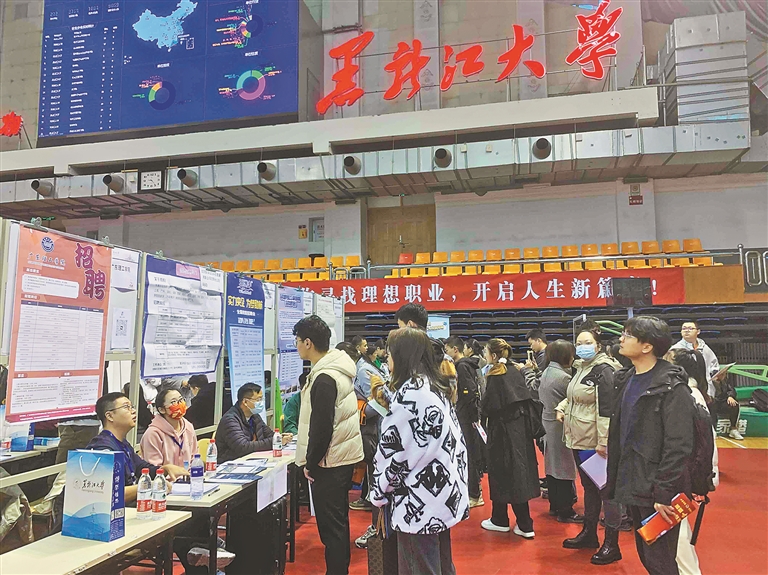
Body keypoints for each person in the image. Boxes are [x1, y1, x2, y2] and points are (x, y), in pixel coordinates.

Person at [371, 327, 469, 575]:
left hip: (418, 501)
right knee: (440, 564)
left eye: (390, 354)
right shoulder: (433, 386)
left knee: (419, 567)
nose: (387, 359)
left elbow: (395, 455)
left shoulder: (410, 397)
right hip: (442, 495)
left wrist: (378, 491)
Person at [608, 316, 696, 575]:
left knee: (661, 561)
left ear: (647, 346)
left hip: (658, 488)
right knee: (648, 556)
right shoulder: (627, 379)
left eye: (628, 335)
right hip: (634, 481)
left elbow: (679, 444)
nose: (621, 339)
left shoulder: (672, 386)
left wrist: (664, 492)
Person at [294, 315, 364, 575]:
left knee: (331, 528)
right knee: (338, 524)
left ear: (308, 343)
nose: (297, 345)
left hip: (329, 462)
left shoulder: (324, 378)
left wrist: (311, 463)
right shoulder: (337, 369)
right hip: (340, 458)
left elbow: (321, 428)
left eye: (298, 340)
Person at [555, 326, 623, 565]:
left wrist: (603, 442)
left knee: (606, 492)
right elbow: (575, 397)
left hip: (595, 442)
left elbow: (606, 409)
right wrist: (562, 407)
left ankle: (612, 543)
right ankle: (589, 533)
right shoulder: (581, 368)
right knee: (589, 488)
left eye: (587, 342)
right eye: (579, 343)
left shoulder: (604, 370)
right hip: (578, 438)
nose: (582, 346)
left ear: (598, 345)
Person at [666, 347, 720, 575]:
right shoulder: (690, 393)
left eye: (667, 360)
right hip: (685, 473)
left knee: (676, 533)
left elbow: (702, 445)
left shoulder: (689, 396)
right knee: (676, 531)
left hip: (683, 474)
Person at [480, 338, 540, 539]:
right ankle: (506, 519)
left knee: (505, 474)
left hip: (501, 432)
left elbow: (488, 406)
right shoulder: (515, 371)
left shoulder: (495, 375)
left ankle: (518, 522)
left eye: (486, 352)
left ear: (493, 355)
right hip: (520, 431)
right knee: (517, 472)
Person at [86, 393, 188, 501]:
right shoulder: (103, 449)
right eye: (126, 407)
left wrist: (165, 469)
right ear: (110, 416)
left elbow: (142, 468)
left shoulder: (122, 443)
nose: (133, 411)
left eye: (132, 407)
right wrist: (147, 486)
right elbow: (108, 494)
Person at [538, 339, 582, 523]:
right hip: (560, 425)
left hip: (548, 423)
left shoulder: (547, 371)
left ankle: (555, 506)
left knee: (552, 467)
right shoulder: (564, 378)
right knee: (564, 468)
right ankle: (565, 510)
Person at [350, 340, 389, 513]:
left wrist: (360, 410)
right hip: (373, 423)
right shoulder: (364, 367)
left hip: (372, 423)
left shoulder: (362, 370)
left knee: (371, 460)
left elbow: (375, 401)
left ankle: (371, 499)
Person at [444, 335, 483, 507]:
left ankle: (475, 494)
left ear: (455, 349)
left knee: (469, 455)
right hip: (466, 416)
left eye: (447, 350)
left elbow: (470, 392)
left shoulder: (462, 366)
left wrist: (473, 417)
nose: (446, 353)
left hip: (467, 418)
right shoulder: (464, 365)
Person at [216, 383, 292, 464]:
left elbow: (269, 434)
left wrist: (280, 437)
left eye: (262, 399)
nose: (261, 402)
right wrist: (275, 441)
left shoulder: (254, 416)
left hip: (252, 460)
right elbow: (243, 447)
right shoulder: (230, 420)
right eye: (258, 399)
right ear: (245, 402)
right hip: (232, 463)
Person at [140, 387, 198, 469]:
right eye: (173, 402)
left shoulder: (188, 427)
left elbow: (195, 458)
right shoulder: (152, 434)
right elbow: (154, 468)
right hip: (165, 477)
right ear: (162, 410)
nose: (180, 404)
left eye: (181, 400)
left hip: (188, 475)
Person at [670, 320, 721, 399]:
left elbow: (713, 365)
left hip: (706, 387)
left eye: (690, 328)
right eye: (684, 328)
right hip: (685, 387)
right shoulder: (675, 350)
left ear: (698, 331)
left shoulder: (705, 348)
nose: (687, 330)